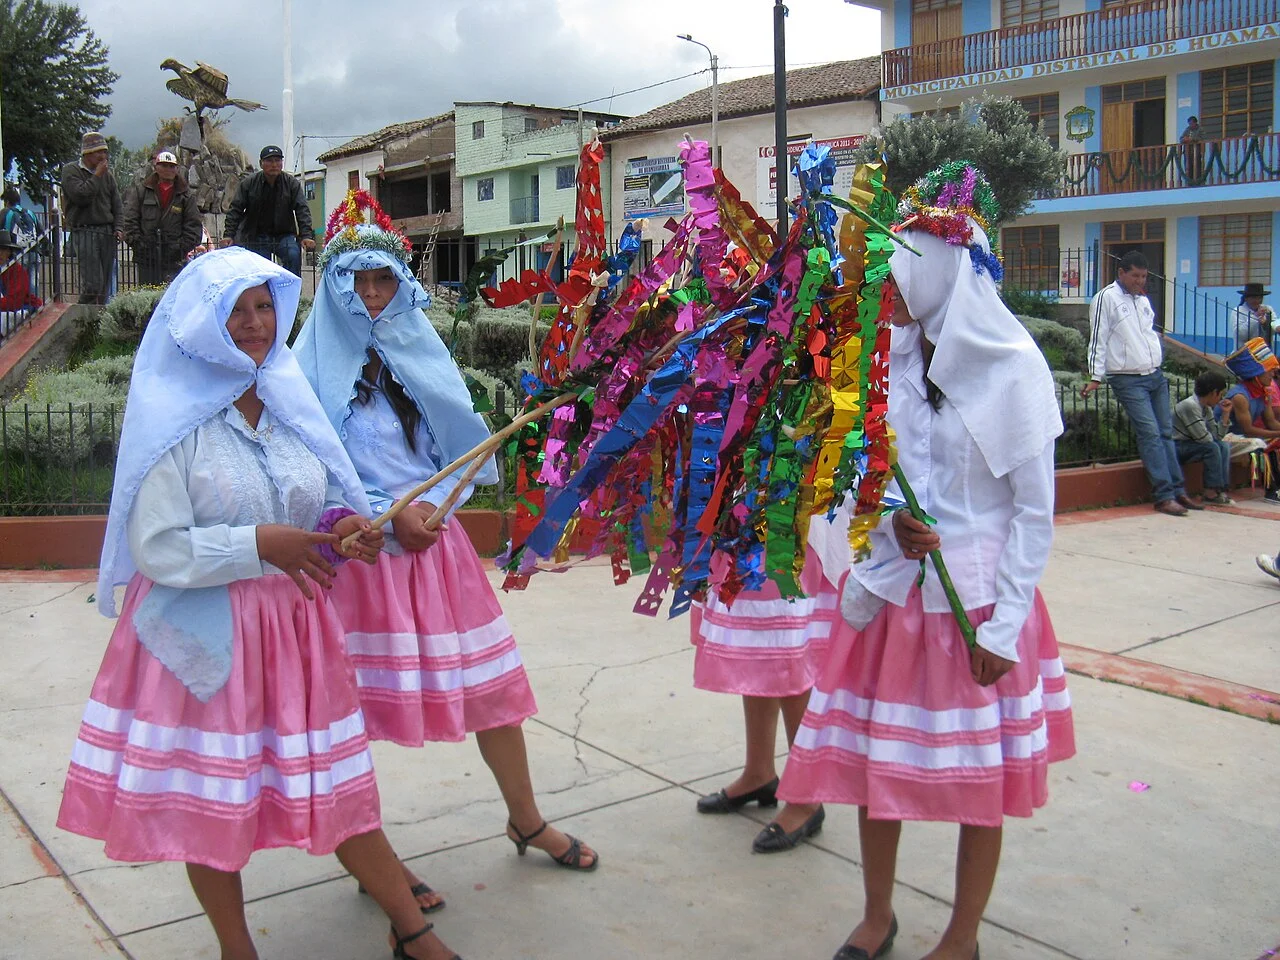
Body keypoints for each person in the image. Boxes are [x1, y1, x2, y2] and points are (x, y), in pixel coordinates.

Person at [55, 247, 464, 960]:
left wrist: (341, 526)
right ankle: (237, 950)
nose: (252, 323)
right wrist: (259, 546)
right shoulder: (174, 422)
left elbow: (324, 495)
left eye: (263, 305)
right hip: (207, 633)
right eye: (235, 310)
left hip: (295, 629)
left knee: (338, 780)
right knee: (215, 806)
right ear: (203, 323)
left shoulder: (287, 400)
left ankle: (411, 928)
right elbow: (158, 549)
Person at [778, 175, 1075, 960]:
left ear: (944, 268)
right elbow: (864, 482)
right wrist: (888, 528)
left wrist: (1006, 625)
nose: (888, 287)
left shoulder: (1015, 371)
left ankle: (963, 936)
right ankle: (878, 916)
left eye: (901, 267)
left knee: (980, 787)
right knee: (884, 769)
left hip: (975, 607)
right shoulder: (891, 366)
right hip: (899, 606)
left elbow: (1033, 513)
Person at [293, 198, 598, 901]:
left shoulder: (419, 352)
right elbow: (306, 470)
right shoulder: (300, 370)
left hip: (435, 549)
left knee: (494, 696)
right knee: (351, 720)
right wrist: (377, 516)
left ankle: (526, 820)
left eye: (383, 281)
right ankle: (380, 869)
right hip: (359, 562)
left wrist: (437, 508)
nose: (372, 295)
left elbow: (458, 453)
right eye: (358, 281)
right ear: (336, 285)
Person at [691, 518, 842, 853]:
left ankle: (806, 797)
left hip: (795, 510)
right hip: (747, 519)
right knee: (759, 647)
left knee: (789, 654)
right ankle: (759, 773)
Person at [1084, 251, 1197, 515]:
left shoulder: (1143, 300)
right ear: (1121, 273)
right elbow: (1097, 338)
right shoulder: (1106, 298)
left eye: (1144, 276)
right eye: (1135, 275)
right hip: (1127, 378)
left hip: (1154, 375)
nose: (1139, 281)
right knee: (1150, 434)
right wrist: (1095, 376)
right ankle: (1163, 494)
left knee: (1166, 433)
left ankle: (1179, 490)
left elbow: (1148, 333)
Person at [221, 145, 314, 276]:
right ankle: (264, 296)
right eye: (269, 161)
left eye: (277, 160)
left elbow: (302, 209)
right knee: (260, 270)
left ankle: (291, 294)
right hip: (256, 235)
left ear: (282, 163)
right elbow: (235, 209)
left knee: (293, 255)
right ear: (261, 163)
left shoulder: (292, 183)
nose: (274, 164)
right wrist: (228, 235)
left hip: (284, 235)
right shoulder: (249, 183)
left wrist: (306, 235)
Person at [122, 150, 204, 285]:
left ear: (177, 168)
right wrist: (139, 244)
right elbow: (130, 220)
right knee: (146, 299)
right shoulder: (141, 191)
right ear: (156, 167)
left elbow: (194, 225)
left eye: (172, 166)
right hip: (146, 258)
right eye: (164, 165)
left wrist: (179, 248)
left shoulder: (186, 196)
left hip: (174, 260)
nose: (168, 169)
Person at [60, 131, 122, 305]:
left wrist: (119, 227)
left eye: (105, 151)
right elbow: (81, 196)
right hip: (84, 230)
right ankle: (81, 314)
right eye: (98, 152)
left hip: (106, 232)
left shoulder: (108, 177)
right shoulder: (70, 171)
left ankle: (98, 322)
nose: (103, 156)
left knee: (104, 288)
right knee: (93, 284)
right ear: (86, 153)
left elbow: (117, 204)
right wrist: (96, 176)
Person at [1223, 338, 1280, 504]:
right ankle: (1272, 490)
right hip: (1226, 437)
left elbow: (1271, 422)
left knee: (1272, 440)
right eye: (1269, 370)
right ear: (1256, 375)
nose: (1273, 374)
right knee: (1265, 443)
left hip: (1244, 438)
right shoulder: (1240, 396)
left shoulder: (1264, 392)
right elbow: (1248, 430)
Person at [1173, 371, 1234, 505]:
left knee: (1223, 445)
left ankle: (1220, 489)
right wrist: (1213, 438)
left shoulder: (1206, 408)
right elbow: (1203, 438)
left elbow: (1218, 436)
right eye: (1221, 394)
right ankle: (1210, 492)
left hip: (1193, 444)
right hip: (1178, 446)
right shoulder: (1189, 406)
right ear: (1213, 392)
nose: (1221, 398)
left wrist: (1225, 415)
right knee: (1212, 448)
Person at [2, 184, 41, 299]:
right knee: (33, 283)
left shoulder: (6, 213)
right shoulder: (30, 213)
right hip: (34, 251)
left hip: (17, 253)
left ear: (8, 201)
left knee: (16, 283)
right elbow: (41, 231)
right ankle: (33, 308)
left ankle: (19, 308)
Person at [1233, 282, 1275, 350]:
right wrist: (1255, 317)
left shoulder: (1268, 310)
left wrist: (1265, 324)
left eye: (1260, 298)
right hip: (1244, 353)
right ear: (1246, 298)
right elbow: (1241, 335)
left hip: (1265, 353)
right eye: (1254, 298)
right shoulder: (1238, 311)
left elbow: (1273, 332)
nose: (1257, 301)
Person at [1179, 115, 1204, 183]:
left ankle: (1198, 182)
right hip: (1187, 152)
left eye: (1191, 123)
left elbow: (1202, 138)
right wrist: (1184, 139)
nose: (1190, 125)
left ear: (1195, 123)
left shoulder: (1200, 129)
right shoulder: (1187, 129)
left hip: (1196, 152)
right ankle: (1189, 182)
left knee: (1197, 168)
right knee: (1188, 168)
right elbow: (1181, 139)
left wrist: (1192, 139)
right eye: (1189, 124)